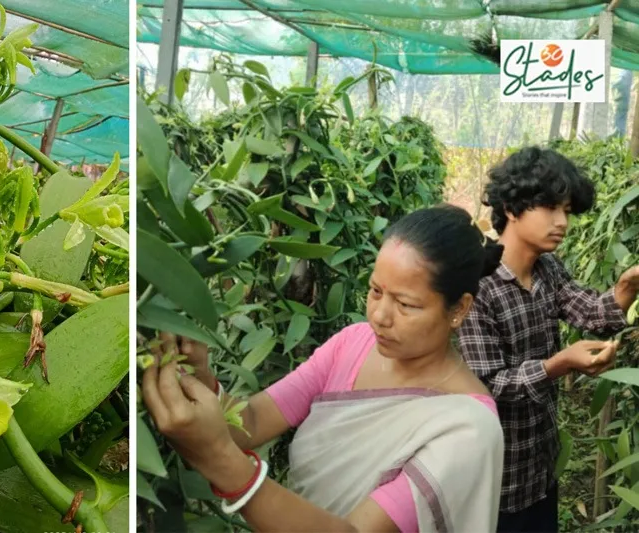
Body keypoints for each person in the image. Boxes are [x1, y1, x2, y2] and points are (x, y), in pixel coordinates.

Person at [142, 205, 506, 532]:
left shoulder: (467, 429)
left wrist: (222, 461)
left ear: (459, 309)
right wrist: (201, 378)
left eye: (406, 304)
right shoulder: (352, 345)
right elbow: (251, 422)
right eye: (376, 291)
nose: (379, 315)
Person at [458, 146, 639, 533]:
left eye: (568, 211)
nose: (562, 222)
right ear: (511, 208)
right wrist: (558, 365)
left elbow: (588, 311)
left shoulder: (547, 268)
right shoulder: (478, 288)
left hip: (539, 462)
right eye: (551, 208)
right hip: (495, 477)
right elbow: (486, 386)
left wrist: (627, 287)